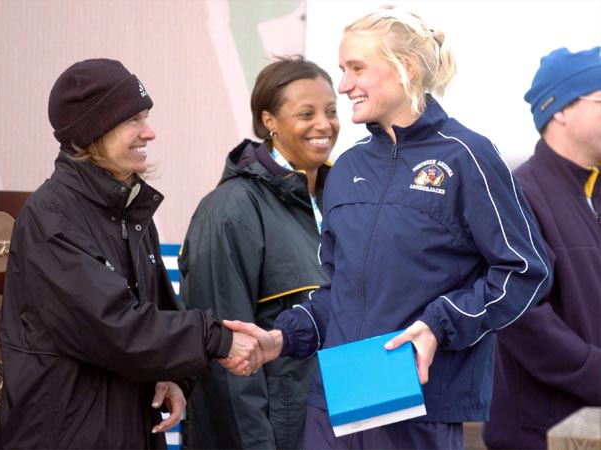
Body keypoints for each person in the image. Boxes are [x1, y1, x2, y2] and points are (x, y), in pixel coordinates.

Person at [225, 8, 552, 450]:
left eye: (356, 68)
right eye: (342, 69)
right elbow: (337, 294)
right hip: (337, 402)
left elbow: (525, 271)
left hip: (419, 405)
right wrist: (281, 337)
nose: (343, 86)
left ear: (407, 69)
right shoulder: (347, 169)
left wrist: (441, 324)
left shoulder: (466, 157)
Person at [0, 58, 259, 449]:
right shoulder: (52, 221)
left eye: (146, 117)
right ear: (92, 132)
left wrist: (172, 374)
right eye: (133, 120)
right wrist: (217, 340)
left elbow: (161, 312)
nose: (149, 132)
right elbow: (119, 328)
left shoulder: (131, 211)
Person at [178, 55, 339, 450]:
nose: (324, 124)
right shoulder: (230, 210)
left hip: (335, 428)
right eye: (306, 113)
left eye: (331, 111)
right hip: (273, 437)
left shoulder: (345, 200)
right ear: (269, 121)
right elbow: (226, 359)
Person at [483, 46, 601, 449]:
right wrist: (594, 372)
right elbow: (519, 313)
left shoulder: (595, 190)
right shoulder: (518, 196)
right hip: (542, 433)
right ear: (560, 109)